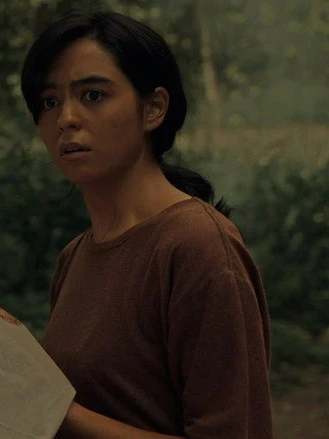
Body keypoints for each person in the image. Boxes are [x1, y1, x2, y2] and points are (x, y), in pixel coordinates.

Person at [20, 10, 273, 438]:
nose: (66, 118)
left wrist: (58, 411)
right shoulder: (75, 256)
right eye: (49, 102)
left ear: (153, 108)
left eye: (93, 95)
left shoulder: (197, 245)